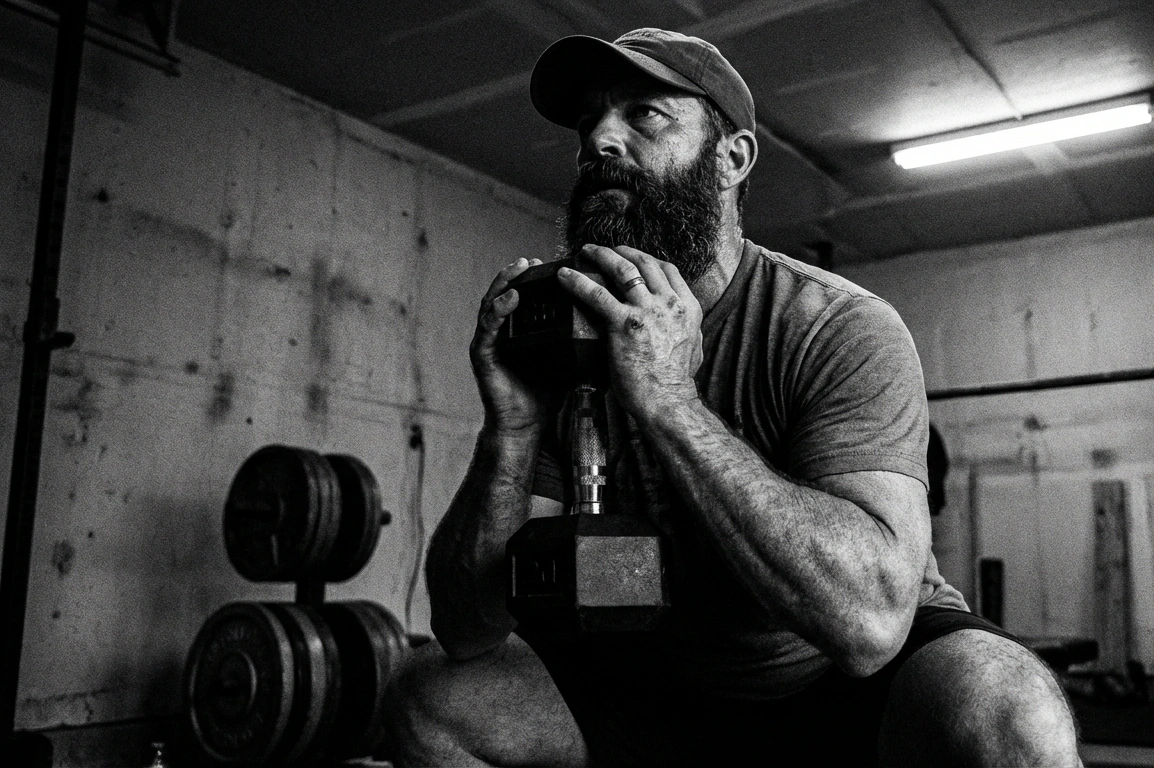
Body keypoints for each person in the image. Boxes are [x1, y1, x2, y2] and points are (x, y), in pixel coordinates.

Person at [386, 28, 1081, 767]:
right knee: (432, 700)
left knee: (1012, 714)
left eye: (644, 114)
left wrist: (668, 399)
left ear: (733, 158)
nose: (599, 142)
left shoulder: (836, 325)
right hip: (667, 681)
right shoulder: (574, 340)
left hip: (841, 684)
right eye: (589, 124)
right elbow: (467, 627)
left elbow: (871, 626)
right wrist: (512, 429)